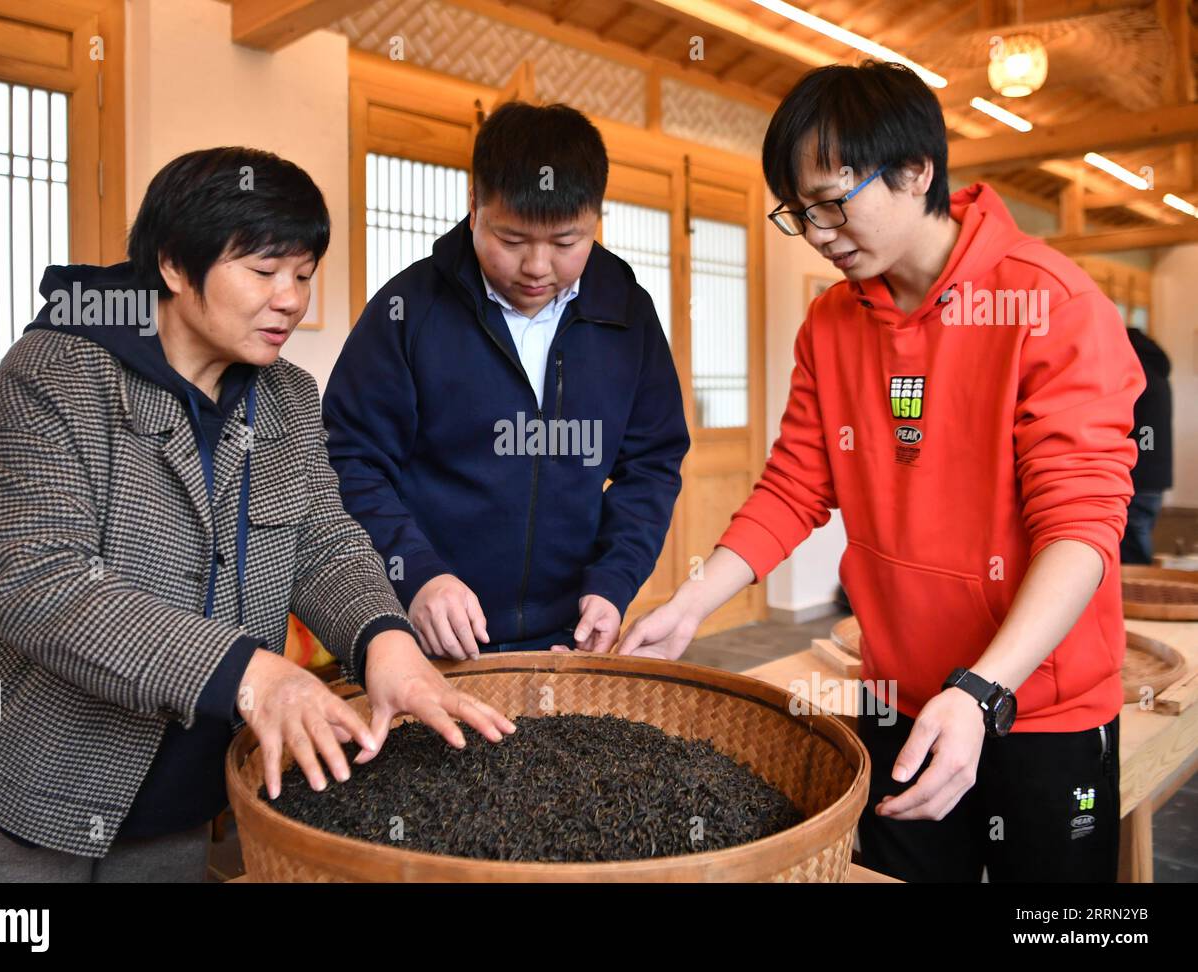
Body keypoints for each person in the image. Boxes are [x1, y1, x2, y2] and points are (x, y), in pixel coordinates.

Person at [0, 146, 514, 882]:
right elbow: (41, 589)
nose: (292, 299)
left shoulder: (286, 396)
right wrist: (256, 674)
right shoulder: (53, 376)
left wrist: (385, 640)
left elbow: (321, 542)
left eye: (303, 274)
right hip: (26, 759)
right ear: (173, 263)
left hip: (182, 766)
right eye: (263, 272)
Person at [618, 61, 1145, 883]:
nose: (821, 232)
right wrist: (687, 607)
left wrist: (981, 693)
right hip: (894, 692)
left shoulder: (1050, 304)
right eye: (800, 213)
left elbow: (1081, 532)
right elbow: (795, 485)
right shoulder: (831, 322)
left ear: (916, 171)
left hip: (1038, 711)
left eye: (835, 200)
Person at [323, 102, 689, 660]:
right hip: (425, 631)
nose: (538, 266)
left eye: (566, 243)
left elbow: (652, 466)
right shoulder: (407, 310)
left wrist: (614, 582)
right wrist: (417, 575)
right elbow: (351, 459)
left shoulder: (627, 315)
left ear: (596, 220)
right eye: (513, 240)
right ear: (474, 208)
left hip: (567, 638)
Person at [1121, 324, 1173, 564]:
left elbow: (1137, 431)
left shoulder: (1136, 375)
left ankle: (1136, 598)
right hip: (1156, 478)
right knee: (1140, 535)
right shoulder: (1157, 375)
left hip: (1139, 476)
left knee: (1134, 546)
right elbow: (1148, 434)